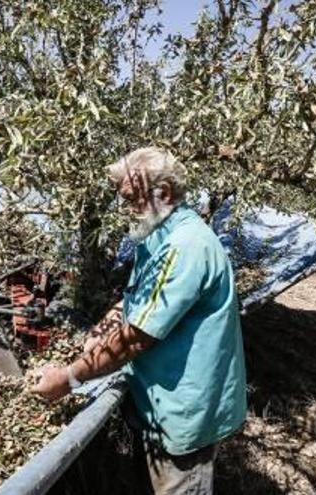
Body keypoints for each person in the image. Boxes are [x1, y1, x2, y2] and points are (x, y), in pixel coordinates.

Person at [30, 147, 247, 494]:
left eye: (133, 199)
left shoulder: (186, 247)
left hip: (182, 415)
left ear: (163, 193)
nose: (128, 209)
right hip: (156, 404)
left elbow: (136, 337)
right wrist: (102, 328)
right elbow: (136, 299)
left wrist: (68, 378)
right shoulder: (158, 236)